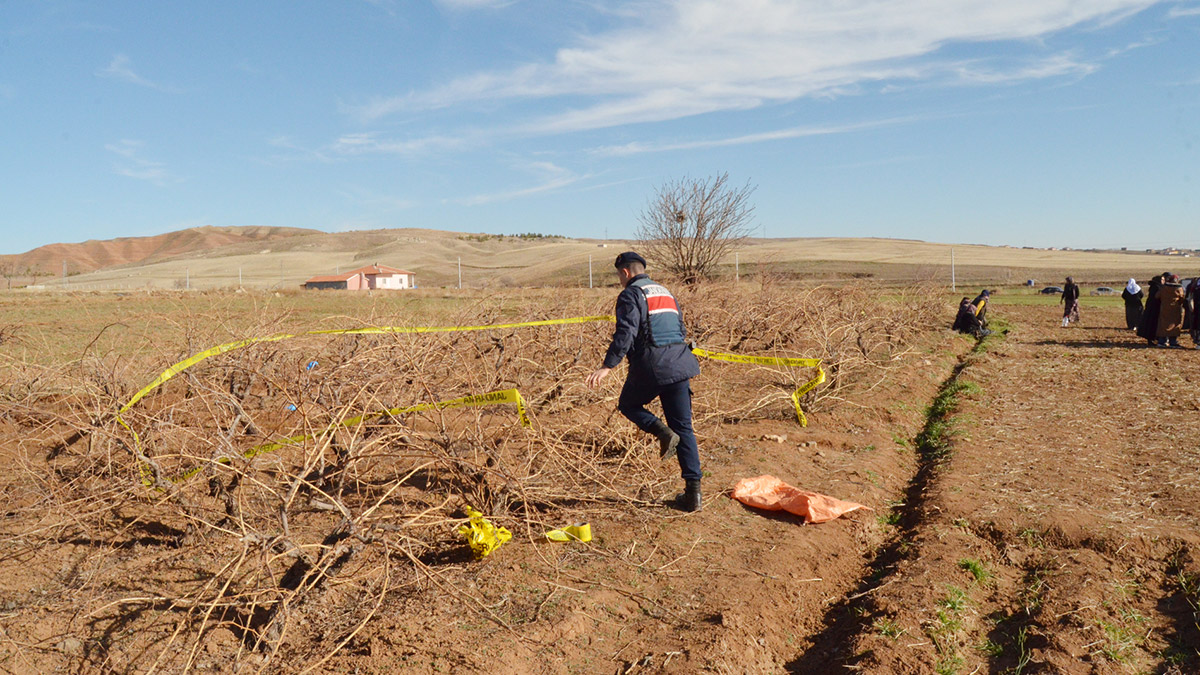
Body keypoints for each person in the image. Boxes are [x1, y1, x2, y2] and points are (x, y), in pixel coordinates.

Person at [586, 252, 703, 512]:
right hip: (680, 363)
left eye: (619, 275)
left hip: (653, 366)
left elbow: (626, 332)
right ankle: (693, 495)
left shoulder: (631, 294)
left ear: (625, 272)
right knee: (684, 427)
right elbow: (681, 329)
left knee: (628, 405)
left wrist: (607, 366)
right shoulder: (666, 292)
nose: (620, 280)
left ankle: (662, 432)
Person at [1156, 273, 1186, 347]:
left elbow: (1157, 296)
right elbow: (1182, 298)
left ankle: (1161, 341)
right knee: (1174, 325)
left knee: (1163, 324)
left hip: (1164, 308)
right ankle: (1173, 341)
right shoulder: (1179, 288)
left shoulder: (1163, 288)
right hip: (1175, 309)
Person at [1136, 274, 1164, 345]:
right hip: (1154, 308)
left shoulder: (1154, 286)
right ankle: (1151, 339)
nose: (1164, 281)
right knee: (1152, 324)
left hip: (1151, 308)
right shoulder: (1157, 287)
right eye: (1162, 280)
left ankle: (1153, 339)